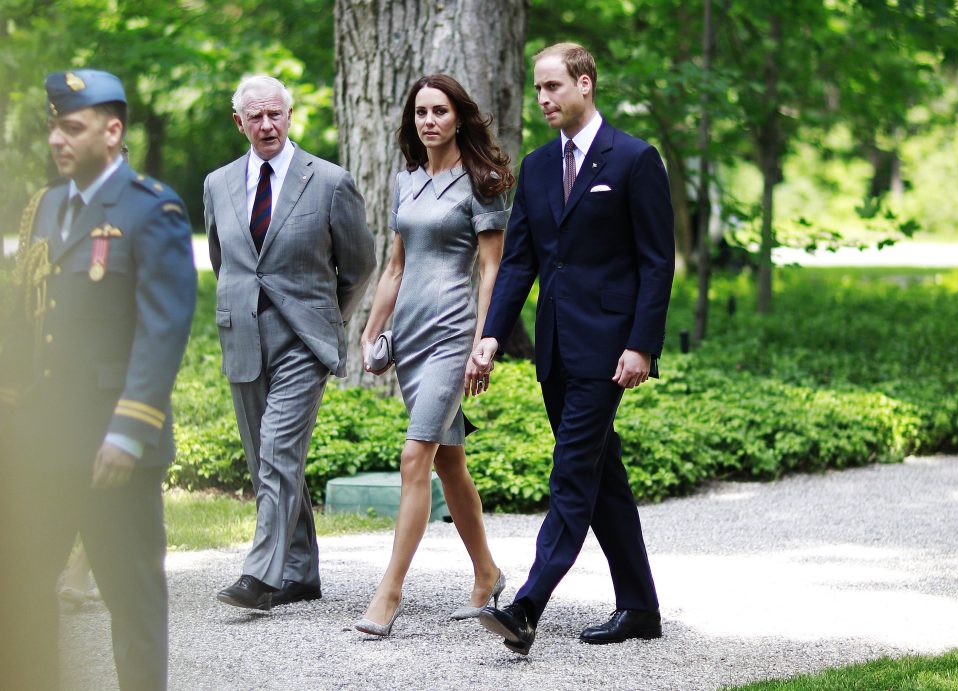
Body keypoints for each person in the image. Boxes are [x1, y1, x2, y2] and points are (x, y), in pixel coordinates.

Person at [473, 43, 675, 655]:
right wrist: (490, 333)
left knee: (570, 475)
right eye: (537, 89)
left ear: (585, 85)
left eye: (553, 86)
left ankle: (528, 604)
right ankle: (639, 607)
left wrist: (641, 345)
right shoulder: (535, 166)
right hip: (556, 352)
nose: (543, 99)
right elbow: (520, 264)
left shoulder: (636, 159)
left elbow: (656, 263)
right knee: (599, 476)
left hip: (609, 352)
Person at [0, 69, 197, 689]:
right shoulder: (45, 208)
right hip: (42, 445)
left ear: (112, 132)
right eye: (54, 125)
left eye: (73, 126)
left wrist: (129, 430)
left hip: (114, 452)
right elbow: (21, 319)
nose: (58, 138)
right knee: (23, 595)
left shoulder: (151, 210)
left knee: (132, 601)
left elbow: (161, 330)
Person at [204, 75, 375, 611]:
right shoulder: (217, 184)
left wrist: (326, 317)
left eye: (275, 114)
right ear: (239, 123)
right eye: (254, 117)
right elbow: (222, 261)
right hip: (244, 335)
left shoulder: (329, 181)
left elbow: (361, 265)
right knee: (266, 459)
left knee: (278, 448)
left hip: (305, 339)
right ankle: (301, 572)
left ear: (290, 114)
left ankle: (261, 576)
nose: (266, 124)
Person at [354, 74, 513, 636]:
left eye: (439, 111)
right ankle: (488, 573)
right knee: (449, 461)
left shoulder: (483, 183)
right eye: (420, 111)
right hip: (411, 337)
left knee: (414, 458)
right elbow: (395, 268)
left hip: (452, 333)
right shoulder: (406, 183)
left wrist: (481, 343)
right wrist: (372, 333)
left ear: (458, 117)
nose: (429, 121)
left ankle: (389, 593)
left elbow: (492, 268)